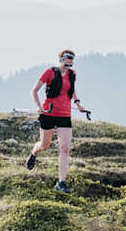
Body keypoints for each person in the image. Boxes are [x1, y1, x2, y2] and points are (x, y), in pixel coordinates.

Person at [24, 49, 87, 193]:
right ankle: (34, 153)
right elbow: (34, 90)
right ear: (61, 59)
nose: (68, 65)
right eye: (66, 61)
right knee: (44, 145)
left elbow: (71, 90)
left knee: (64, 147)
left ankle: (61, 182)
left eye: (71, 62)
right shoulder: (49, 72)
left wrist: (77, 103)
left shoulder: (72, 74)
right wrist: (39, 107)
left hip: (65, 114)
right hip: (48, 113)